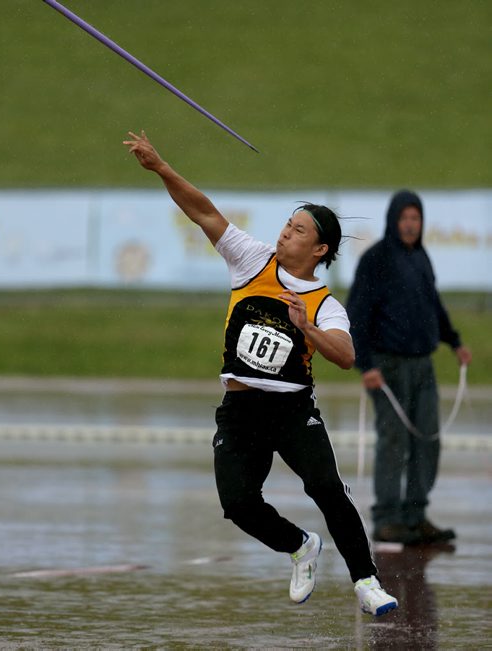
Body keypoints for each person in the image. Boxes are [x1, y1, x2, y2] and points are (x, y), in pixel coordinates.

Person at [123, 130, 398, 616]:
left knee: (328, 489)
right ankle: (300, 546)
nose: (286, 233)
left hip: (292, 410)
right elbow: (204, 212)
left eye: (299, 230)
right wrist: (161, 168)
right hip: (239, 408)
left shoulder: (325, 304)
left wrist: (306, 327)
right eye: (287, 224)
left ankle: (366, 581)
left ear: (319, 250)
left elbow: (346, 356)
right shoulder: (252, 260)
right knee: (237, 503)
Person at [346, 190, 472, 545]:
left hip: (423, 365)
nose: (410, 225)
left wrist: (454, 340)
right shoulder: (376, 259)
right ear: (393, 220)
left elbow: (433, 304)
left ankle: (415, 517)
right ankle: (387, 518)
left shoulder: (421, 258)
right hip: (386, 366)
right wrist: (365, 364)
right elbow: (356, 314)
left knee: (427, 439)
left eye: (416, 218)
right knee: (393, 441)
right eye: (405, 218)